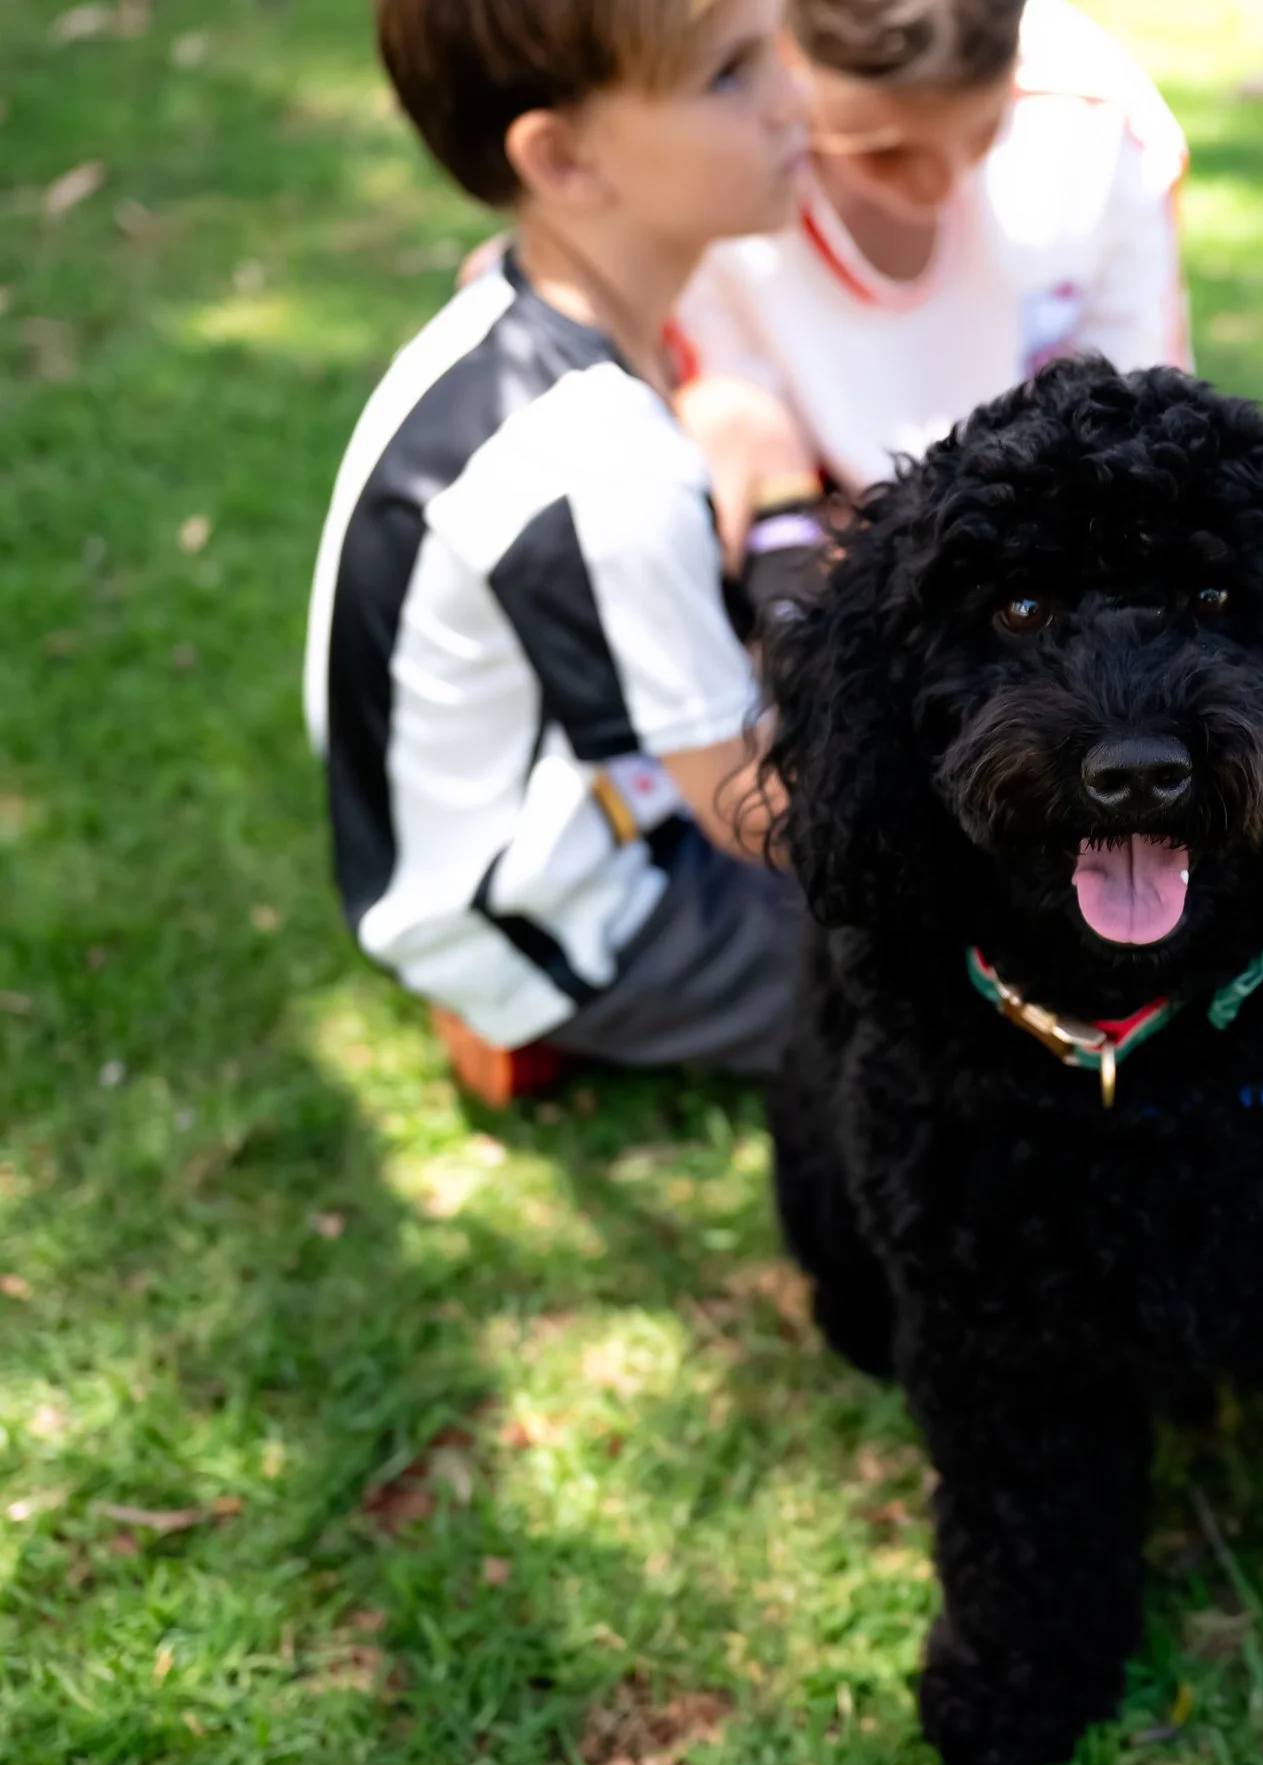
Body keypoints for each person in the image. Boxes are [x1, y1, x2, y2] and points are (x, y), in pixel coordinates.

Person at [306, 0, 810, 1101]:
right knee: (978, 954)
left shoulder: (512, 294)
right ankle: (531, 1022)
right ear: (565, 157)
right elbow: (752, 808)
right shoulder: (601, 465)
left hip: (552, 814)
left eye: (778, 47)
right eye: (731, 75)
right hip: (571, 916)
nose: (791, 97)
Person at [668, 0, 1189, 553]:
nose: (937, 186)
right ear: (787, 62)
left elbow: (1142, 424)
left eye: (986, 132)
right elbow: (744, 436)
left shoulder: (1096, 126)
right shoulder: (712, 171)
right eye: (886, 154)